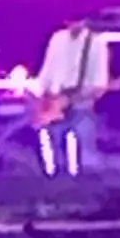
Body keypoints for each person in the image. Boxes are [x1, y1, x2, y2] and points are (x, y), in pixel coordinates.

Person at [31, 16, 107, 177]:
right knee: (52, 146)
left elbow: (99, 85)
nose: (73, 25)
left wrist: (72, 99)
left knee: (84, 150)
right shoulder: (57, 39)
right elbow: (47, 71)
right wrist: (42, 99)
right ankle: (54, 179)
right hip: (54, 99)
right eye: (70, 21)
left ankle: (84, 184)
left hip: (81, 103)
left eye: (77, 20)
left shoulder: (96, 43)